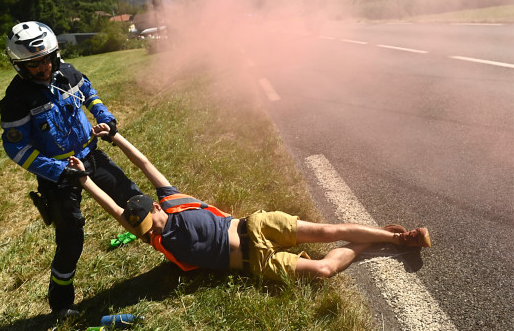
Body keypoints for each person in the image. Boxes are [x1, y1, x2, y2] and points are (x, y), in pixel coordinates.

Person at [69, 123, 431, 282]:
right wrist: (85, 180)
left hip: (255, 225)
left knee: (328, 229)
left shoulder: (173, 201)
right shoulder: (156, 240)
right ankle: (371, 240)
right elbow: (114, 209)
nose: (150, 229)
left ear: (155, 207)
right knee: (323, 270)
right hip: (256, 262)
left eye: (149, 220)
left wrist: (116, 137)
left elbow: (146, 165)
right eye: (143, 229)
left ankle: (401, 238)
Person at [0, 21, 142, 319]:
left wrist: (105, 117)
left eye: (47, 59)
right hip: (59, 177)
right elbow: (18, 149)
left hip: (91, 155)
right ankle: (62, 303)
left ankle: (167, 240)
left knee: (132, 196)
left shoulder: (69, 73)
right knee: (70, 237)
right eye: (34, 64)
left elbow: (90, 93)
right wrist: (59, 171)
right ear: (19, 65)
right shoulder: (15, 100)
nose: (43, 68)